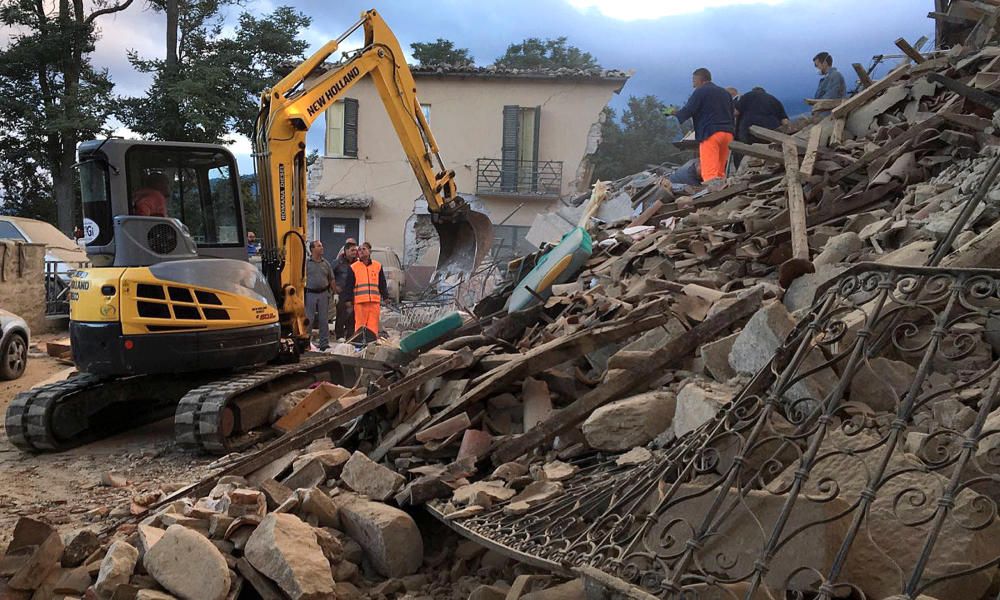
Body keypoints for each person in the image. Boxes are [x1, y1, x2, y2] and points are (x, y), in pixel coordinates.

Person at [664, 68, 735, 186]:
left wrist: (672, 112)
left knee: (709, 171)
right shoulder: (725, 93)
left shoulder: (701, 91)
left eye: (693, 81)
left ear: (700, 79)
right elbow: (732, 113)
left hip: (711, 133)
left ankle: (711, 196)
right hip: (728, 133)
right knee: (721, 170)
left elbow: (688, 110)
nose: (693, 85)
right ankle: (723, 191)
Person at [733, 87, 791, 168]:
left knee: (745, 151)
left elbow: (736, 112)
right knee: (768, 152)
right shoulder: (773, 99)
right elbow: (785, 121)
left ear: (753, 91)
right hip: (770, 131)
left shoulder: (747, 96)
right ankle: (767, 169)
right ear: (764, 92)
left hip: (749, 129)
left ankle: (743, 171)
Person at [345, 242, 388, 343]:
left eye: (363, 249)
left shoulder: (377, 266)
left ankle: (371, 344)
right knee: (360, 325)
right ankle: (359, 344)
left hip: (374, 302)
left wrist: (385, 296)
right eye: (359, 250)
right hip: (360, 302)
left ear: (369, 251)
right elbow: (349, 285)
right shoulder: (354, 267)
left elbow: (382, 283)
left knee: (373, 326)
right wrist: (348, 300)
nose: (361, 251)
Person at [304, 240, 335, 351]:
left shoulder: (326, 263)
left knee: (323, 319)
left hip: (323, 293)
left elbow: (331, 279)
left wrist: (334, 293)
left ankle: (324, 343)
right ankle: (306, 343)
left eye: (321, 245)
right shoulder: (307, 264)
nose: (322, 247)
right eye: (319, 246)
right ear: (312, 249)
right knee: (309, 319)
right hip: (310, 294)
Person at [333, 241, 358, 341]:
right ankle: (339, 335)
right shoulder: (337, 263)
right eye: (352, 250)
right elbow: (330, 276)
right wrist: (335, 289)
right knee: (341, 314)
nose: (354, 252)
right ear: (346, 251)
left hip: (353, 293)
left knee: (352, 316)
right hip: (341, 293)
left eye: (355, 250)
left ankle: (350, 336)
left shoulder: (357, 263)